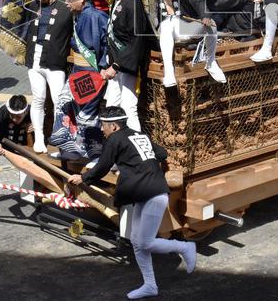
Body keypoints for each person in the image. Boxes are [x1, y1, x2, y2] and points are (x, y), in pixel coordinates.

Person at [68, 107, 196, 300]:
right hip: (142, 194)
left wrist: (83, 178)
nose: (101, 129)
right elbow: (161, 153)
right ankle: (150, 286)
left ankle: (184, 247)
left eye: (103, 125)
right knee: (137, 242)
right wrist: (137, 165)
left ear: (114, 126)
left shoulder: (115, 139)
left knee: (145, 242)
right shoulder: (139, 135)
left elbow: (103, 166)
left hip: (153, 194)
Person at [152, 0, 225, 86]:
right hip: (161, 33)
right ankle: (169, 72)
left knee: (212, 25)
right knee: (167, 24)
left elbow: (198, 2)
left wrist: (205, 16)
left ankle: (211, 62)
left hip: (182, 26)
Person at [57, 0, 109, 160]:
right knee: (66, 104)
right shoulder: (80, 15)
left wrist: (103, 67)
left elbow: (104, 45)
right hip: (79, 69)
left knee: (86, 114)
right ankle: (72, 147)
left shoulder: (94, 16)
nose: (66, 3)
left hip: (90, 71)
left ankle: (93, 153)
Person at [23, 0, 72, 151]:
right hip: (34, 60)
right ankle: (39, 138)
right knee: (38, 99)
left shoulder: (65, 7)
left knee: (59, 100)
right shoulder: (33, 6)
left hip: (55, 61)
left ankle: (62, 137)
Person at [100, 0, 151, 132]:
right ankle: (114, 142)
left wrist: (116, 65)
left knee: (128, 106)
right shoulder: (116, 0)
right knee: (112, 106)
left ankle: (136, 145)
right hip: (116, 63)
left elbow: (136, 40)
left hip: (128, 64)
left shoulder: (133, 4)